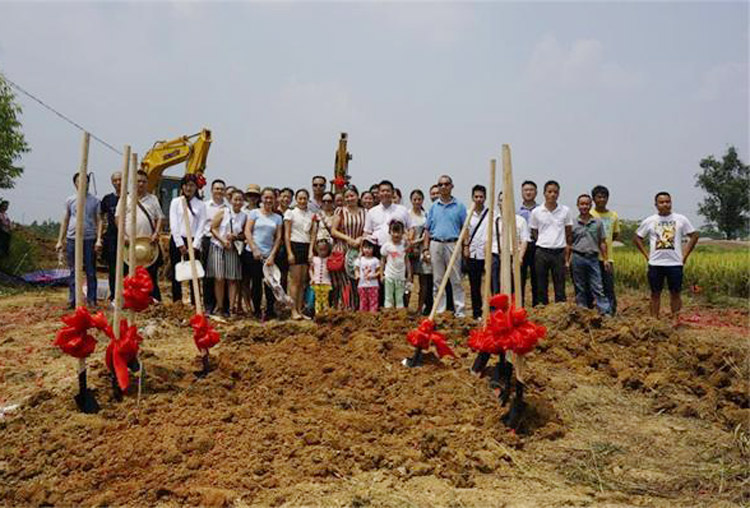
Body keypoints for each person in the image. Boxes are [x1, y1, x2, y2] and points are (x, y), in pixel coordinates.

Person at [634, 192, 698, 319]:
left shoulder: (681, 219)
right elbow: (637, 237)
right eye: (662, 202)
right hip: (656, 264)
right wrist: (647, 256)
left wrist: (684, 255)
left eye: (668, 202)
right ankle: (654, 320)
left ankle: (675, 320)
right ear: (656, 205)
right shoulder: (650, 221)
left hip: (675, 264)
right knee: (655, 293)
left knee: (675, 293)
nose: (665, 204)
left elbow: (694, 235)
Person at [56, 173, 102, 309]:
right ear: (75, 184)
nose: (83, 183)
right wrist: (60, 240)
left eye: (86, 181)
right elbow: (65, 220)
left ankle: (92, 300)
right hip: (72, 238)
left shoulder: (95, 201)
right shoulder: (70, 200)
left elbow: (99, 220)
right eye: (79, 181)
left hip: (89, 238)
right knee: (73, 270)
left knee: (90, 270)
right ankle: (73, 299)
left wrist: (99, 239)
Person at [423, 175, 468, 317]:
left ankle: (459, 311)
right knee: (438, 279)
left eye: (446, 184)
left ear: (451, 186)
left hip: (453, 244)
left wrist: (465, 245)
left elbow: (465, 227)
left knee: (456, 279)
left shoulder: (459, 206)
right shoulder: (433, 207)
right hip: (436, 243)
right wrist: (425, 249)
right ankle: (440, 310)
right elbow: (427, 229)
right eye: (440, 184)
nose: (443, 187)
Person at [120, 170, 164, 301]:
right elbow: (118, 218)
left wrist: (156, 233)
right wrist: (123, 235)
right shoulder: (125, 199)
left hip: (148, 244)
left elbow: (160, 218)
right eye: (138, 181)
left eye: (144, 182)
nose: (141, 184)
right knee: (128, 274)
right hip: (129, 243)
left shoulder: (153, 199)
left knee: (150, 275)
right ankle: (128, 300)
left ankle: (152, 300)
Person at [529, 180, 572, 305]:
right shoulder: (536, 212)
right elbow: (534, 231)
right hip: (542, 251)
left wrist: (567, 255)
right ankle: (543, 308)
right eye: (549, 192)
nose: (552, 194)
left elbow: (568, 233)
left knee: (560, 283)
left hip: (559, 252)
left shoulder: (565, 211)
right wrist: (543, 241)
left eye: (555, 192)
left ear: (558, 194)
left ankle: (560, 308)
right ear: (544, 193)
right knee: (541, 284)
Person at [567, 194, 611, 315]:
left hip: (593, 258)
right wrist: (567, 260)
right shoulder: (573, 223)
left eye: (587, 204)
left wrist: (606, 259)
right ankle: (582, 313)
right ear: (577, 206)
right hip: (577, 257)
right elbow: (569, 243)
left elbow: (602, 242)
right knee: (579, 287)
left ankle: (605, 313)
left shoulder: (597, 223)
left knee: (598, 287)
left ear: (591, 205)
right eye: (582, 204)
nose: (584, 206)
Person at [245, 187, 283, 320]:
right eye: (266, 197)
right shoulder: (254, 213)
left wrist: (272, 255)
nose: (268, 200)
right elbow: (248, 231)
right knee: (255, 284)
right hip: (254, 254)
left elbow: (278, 238)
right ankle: (256, 311)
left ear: (274, 200)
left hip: (269, 255)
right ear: (261, 198)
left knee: (270, 284)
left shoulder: (277, 218)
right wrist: (254, 248)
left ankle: (270, 311)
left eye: (271, 198)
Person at [168, 174, 207, 303]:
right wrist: (179, 243)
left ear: (196, 187)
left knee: (193, 273)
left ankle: (195, 301)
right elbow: (173, 224)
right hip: (178, 240)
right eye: (186, 185)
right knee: (176, 271)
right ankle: (177, 301)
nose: (188, 188)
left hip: (193, 241)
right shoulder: (176, 202)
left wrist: (195, 245)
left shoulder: (201, 205)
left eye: (191, 185)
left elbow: (201, 226)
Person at [209, 189, 246, 317]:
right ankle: (219, 306)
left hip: (232, 248)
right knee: (219, 278)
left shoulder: (243, 216)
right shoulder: (223, 212)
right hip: (218, 246)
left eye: (240, 200)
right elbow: (213, 228)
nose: (238, 202)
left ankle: (231, 308)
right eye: (235, 199)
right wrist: (223, 240)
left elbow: (243, 234)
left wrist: (235, 237)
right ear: (230, 200)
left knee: (232, 279)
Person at [331, 186, 366, 310]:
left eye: (352, 195)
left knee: (359, 280)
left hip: (360, 250)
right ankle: (347, 307)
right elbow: (333, 231)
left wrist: (360, 239)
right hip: (343, 249)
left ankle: (358, 307)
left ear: (357, 196)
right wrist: (348, 239)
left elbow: (367, 230)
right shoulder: (340, 211)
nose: (350, 198)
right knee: (345, 282)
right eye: (347, 196)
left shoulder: (365, 212)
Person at [490, 191, 530, 295]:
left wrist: (520, 258)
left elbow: (524, 240)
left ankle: (515, 308)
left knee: (516, 288)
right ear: (498, 203)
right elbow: (488, 241)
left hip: (514, 256)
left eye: (507, 200)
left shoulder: (520, 221)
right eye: (501, 200)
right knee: (496, 287)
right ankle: (497, 310)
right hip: (497, 257)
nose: (504, 203)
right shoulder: (494, 221)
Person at [284, 188, 315, 320]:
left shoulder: (311, 214)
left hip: (306, 245)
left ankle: (300, 308)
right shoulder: (290, 213)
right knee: (294, 281)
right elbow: (287, 234)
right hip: (294, 245)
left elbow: (312, 234)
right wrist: (290, 252)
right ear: (296, 200)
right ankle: (293, 310)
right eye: (300, 198)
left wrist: (310, 251)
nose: (302, 201)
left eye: (305, 198)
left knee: (303, 282)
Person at [590, 185, 620, 315]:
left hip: (608, 258)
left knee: (608, 287)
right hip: (591, 257)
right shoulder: (590, 214)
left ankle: (610, 313)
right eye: (598, 197)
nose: (601, 200)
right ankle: (592, 312)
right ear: (594, 199)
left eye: (604, 197)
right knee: (593, 287)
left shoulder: (613, 215)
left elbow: (614, 235)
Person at [363, 180, 412, 250]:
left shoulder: (402, 210)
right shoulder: (371, 212)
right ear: (379, 193)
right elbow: (367, 233)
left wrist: (409, 239)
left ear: (392, 193)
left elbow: (411, 229)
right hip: (377, 249)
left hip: (398, 250)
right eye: (382, 191)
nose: (385, 193)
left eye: (388, 191)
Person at [464, 185, 489, 319]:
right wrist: (466, 246)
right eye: (476, 197)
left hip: (487, 252)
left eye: (481, 197)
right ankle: (476, 312)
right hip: (473, 252)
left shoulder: (491, 213)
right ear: (472, 198)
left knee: (490, 283)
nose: (479, 199)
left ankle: (491, 310)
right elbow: (466, 231)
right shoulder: (468, 214)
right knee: (474, 284)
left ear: (485, 198)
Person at [203, 179, 227, 314]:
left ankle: (222, 305)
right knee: (208, 276)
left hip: (222, 243)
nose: (219, 191)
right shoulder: (204, 206)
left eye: (221, 189)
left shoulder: (227, 208)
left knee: (221, 276)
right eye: (216, 189)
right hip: (208, 241)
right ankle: (208, 305)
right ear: (211, 190)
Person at [408, 189, 433, 315]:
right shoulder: (407, 215)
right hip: (410, 251)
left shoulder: (426, 215)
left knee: (424, 282)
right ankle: (407, 306)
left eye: (419, 199)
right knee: (409, 280)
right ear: (411, 201)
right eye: (414, 199)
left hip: (423, 251)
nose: (417, 202)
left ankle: (420, 308)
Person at [100, 171, 122, 301]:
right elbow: (101, 217)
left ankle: (125, 293)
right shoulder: (107, 199)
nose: (118, 183)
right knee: (113, 268)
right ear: (112, 182)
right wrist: (100, 237)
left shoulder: (130, 197)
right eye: (115, 180)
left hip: (126, 237)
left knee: (126, 268)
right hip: (111, 237)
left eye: (120, 180)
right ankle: (114, 294)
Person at [380, 220, 411, 309]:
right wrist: (381, 274)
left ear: (402, 233)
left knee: (399, 297)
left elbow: (407, 260)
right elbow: (382, 261)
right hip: (389, 275)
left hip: (400, 276)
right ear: (390, 232)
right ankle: (388, 314)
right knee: (388, 297)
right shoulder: (387, 246)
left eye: (399, 232)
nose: (396, 235)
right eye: (394, 232)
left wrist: (409, 274)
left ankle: (399, 315)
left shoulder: (403, 246)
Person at [517, 180, 539, 307]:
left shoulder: (541, 210)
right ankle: (520, 305)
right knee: (520, 277)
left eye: (531, 190)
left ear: (536, 192)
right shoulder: (517, 211)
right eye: (526, 190)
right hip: (521, 247)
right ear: (521, 192)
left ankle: (537, 305)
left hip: (537, 245)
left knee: (537, 277)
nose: (528, 192)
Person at [275, 187, 294, 290]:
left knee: (285, 275)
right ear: (279, 197)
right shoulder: (273, 212)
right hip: (275, 247)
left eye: (289, 197)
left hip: (289, 247)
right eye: (284, 196)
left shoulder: (293, 212)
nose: (286, 199)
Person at [355, 239, 380, 313]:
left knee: (373, 301)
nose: (367, 250)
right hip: (362, 285)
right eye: (365, 247)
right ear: (362, 248)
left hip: (373, 285)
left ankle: (372, 315)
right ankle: (363, 316)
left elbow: (379, 270)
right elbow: (356, 269)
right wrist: (357, 275)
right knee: (363, 301)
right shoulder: (360, 259)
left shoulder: (375, 260)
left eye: (369, 248)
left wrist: (374, 275)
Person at [309, 239, 333, 315]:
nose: (322, 252)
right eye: (320, 250)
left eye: (324, 250)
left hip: (326, 282)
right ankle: (318, 313)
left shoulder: (329, 259)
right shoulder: (314, 259)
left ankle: (326, 313)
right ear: (317, 249)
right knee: (317, 299)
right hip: (317, 282)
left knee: (325, 299)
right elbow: (310, 270)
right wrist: (312, 278)